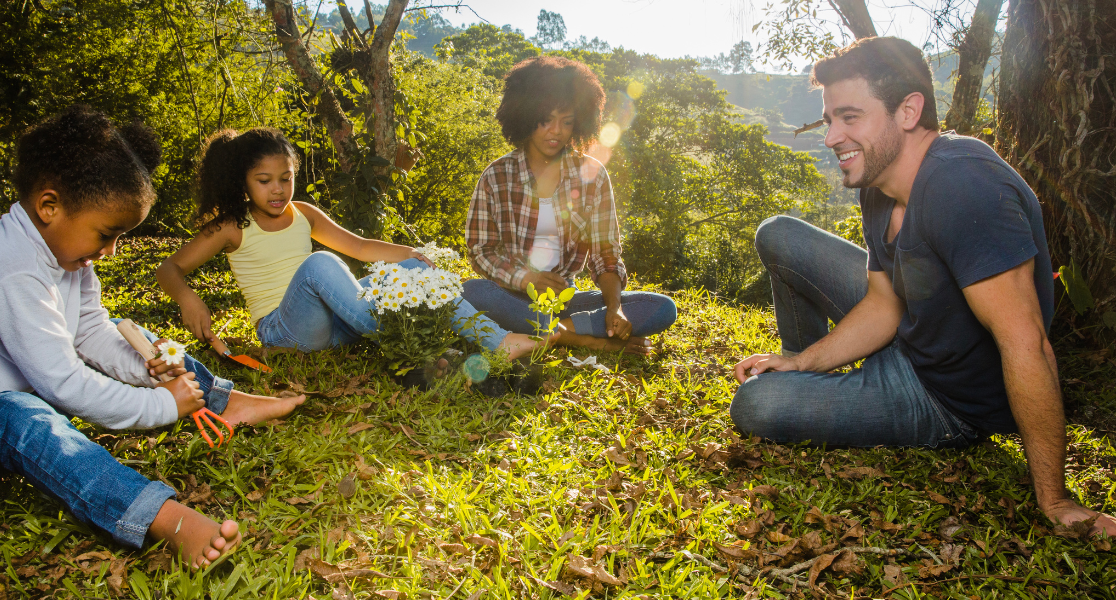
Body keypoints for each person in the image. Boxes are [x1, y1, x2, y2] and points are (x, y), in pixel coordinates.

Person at [729, 37, 1115, 537]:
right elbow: (884, 302)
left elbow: (1027, 344)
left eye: (850, 117)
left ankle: (804, 397)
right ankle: (804, 376)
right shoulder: (878, 183)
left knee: (756, 404)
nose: (831, 138)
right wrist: (800, 362)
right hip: (911, 328)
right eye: (830, 120)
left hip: (943, 398)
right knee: (779, 234)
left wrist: (1057, 499)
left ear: (908, 111)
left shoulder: (965, 186)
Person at [0, 106, 301, 568]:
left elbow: (92, 331)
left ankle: (222, 401)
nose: (111, 250)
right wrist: (161, 406)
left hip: (10, 393)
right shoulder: (8, 267)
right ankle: (159, 516)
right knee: (16, 414)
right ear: (49, 206)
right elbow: (62, 383)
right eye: (106, 233)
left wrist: (147, 365)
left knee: (145, 340)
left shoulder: (67, 257)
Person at [156, 128, 545, 360]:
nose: (278, 190)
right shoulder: (231, 225)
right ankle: (416, 342)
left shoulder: (303, 212)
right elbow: (169, 269)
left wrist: (412, 255)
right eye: (264, 180)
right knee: (319, 263)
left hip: (339, 326)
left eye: (286, 178)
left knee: (409, 271)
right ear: (244, 181)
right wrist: (189, 298)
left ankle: (498, 341)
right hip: (286, 330)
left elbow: (358, 247)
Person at [462, 56, 677, 355]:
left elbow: (606, 255)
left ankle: (544, 329)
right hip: (509, 295)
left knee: (662, 308)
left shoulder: (593, 175)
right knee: (471, 292)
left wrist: (615, 309)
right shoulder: (496, 176)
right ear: (524, 117)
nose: (556, 132)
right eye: (545, 120)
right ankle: (581, 338)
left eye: (567, 122)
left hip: (566, 301)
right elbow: (480, 251)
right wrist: (527, 279)